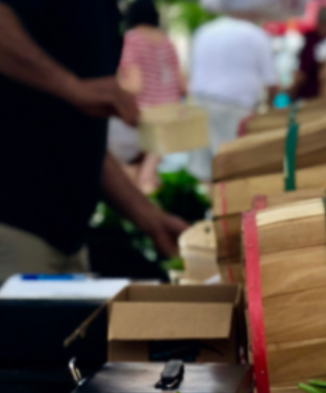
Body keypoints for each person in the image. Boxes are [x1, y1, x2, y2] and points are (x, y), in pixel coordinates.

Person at [0, 0, 188, 284]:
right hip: (14, 227)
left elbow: (81, 139)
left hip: (66, 237)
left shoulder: (103, 12)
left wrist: (150, 217)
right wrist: (71, 87)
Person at [188, 13, 278, 182]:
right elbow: (271, 82)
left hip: (199, 103)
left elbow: (191, 73)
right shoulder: (256, 34)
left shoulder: (204, 31)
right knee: (232, 168)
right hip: (235, 107)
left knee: (207, 169)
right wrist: (271, 109)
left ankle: (212, 206)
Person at [109, 0, 186, 194]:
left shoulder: (131, 40)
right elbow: (182, 83)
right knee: (149, 171)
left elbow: (135, 85)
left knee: (135, 173)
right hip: (170, 114)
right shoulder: (166, 40)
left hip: (143, 115)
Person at [290, 6, 326, 102]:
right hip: (308, 99)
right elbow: (302, 73)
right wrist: (291, 91)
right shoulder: (312, 41)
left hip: (320, 99)